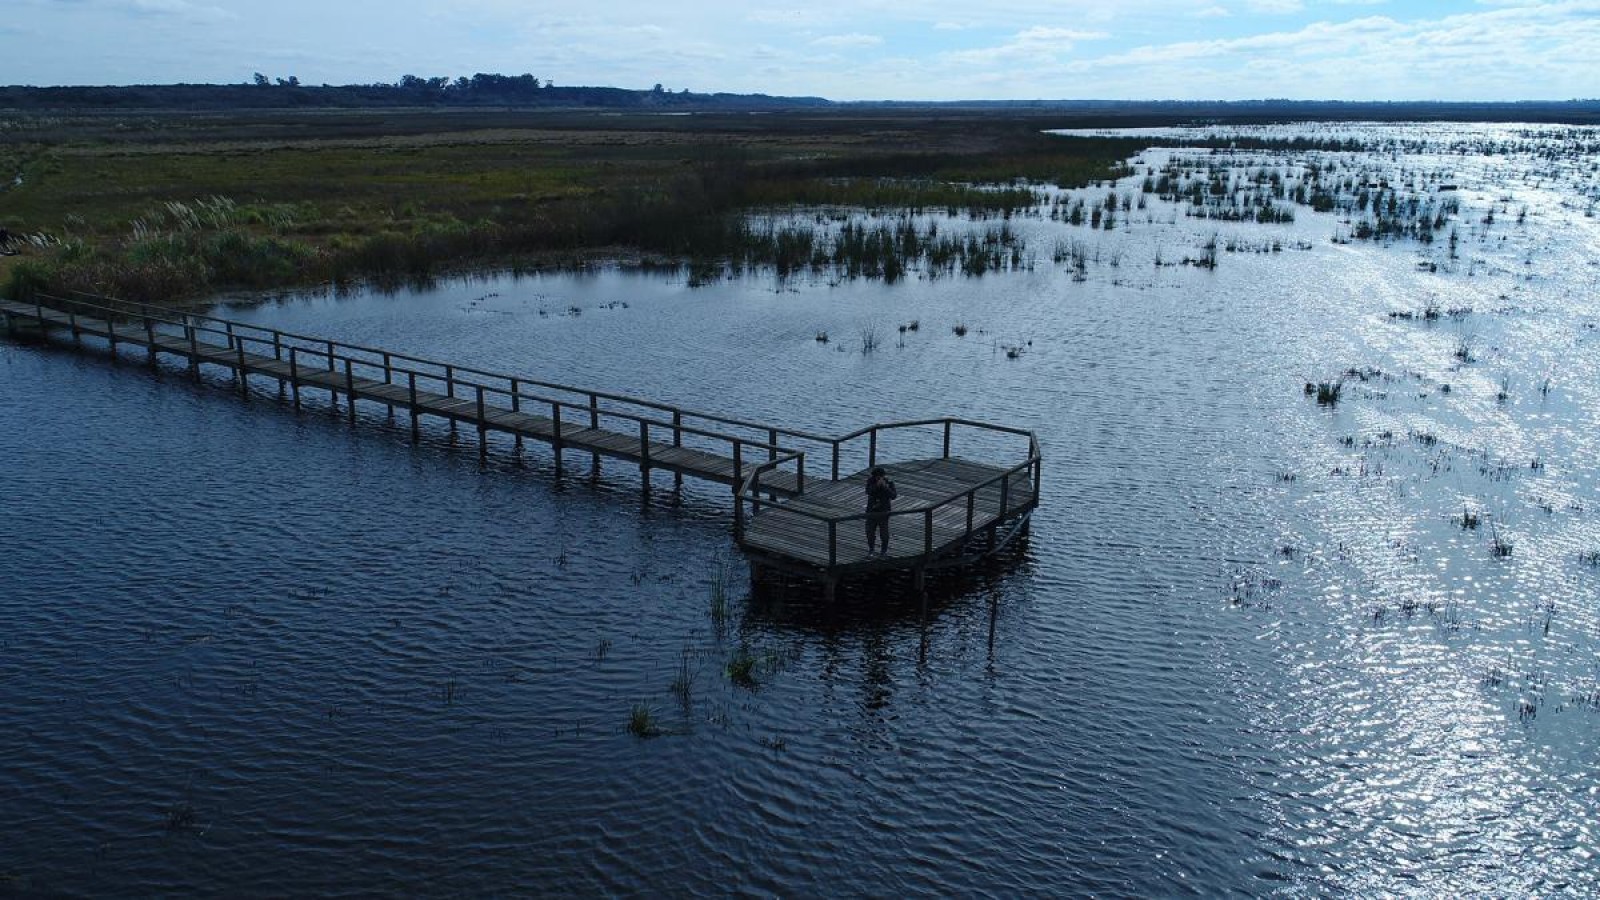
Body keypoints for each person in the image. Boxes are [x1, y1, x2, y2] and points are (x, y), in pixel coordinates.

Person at [865, 466, 897, 555]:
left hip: (884, 512)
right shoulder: (870, 481)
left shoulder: (889, 482)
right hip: (871, 511)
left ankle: (883, 551)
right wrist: (877, 485)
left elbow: (893, 496)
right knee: (870, 532)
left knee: (884, 534)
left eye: (880, 476)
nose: (878, 478)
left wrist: (885, 487)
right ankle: (871, 549)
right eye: (876, 476)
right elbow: (868, 491)